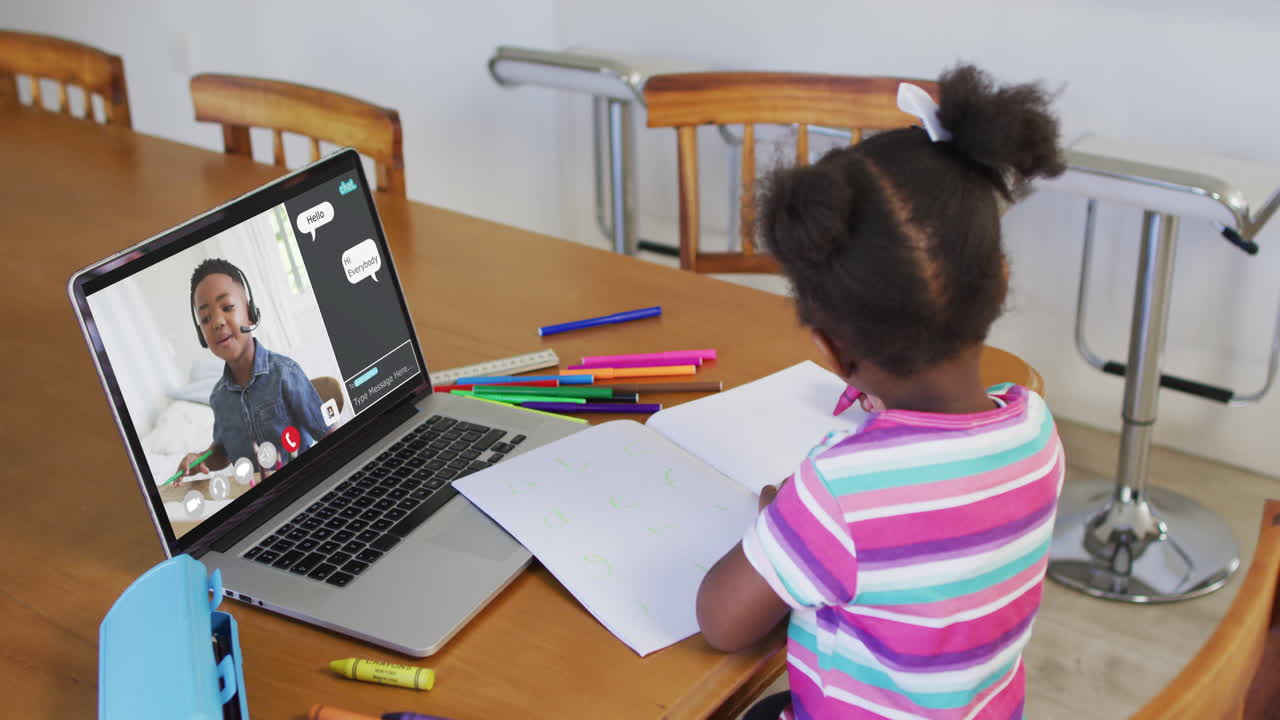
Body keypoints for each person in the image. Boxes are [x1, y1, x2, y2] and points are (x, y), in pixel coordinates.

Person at [696, 64, 1068, 719]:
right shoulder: (1037, 428)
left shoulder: (837, 496)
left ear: (831, 348)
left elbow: (721, 622)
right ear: (1000, 281)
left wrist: (778, 525)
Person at [175, 258, 328, 483]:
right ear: (202, 335)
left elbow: (328, 434)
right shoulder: (218, 397)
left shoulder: (285, 374)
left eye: (227, 307)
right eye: (206, 318)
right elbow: (223, 452)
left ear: (250, 312)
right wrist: (201, 460)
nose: (217, 322)